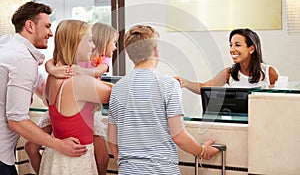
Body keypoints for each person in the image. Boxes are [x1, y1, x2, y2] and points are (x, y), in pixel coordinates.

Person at [107, 25, 219, 175]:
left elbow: (112, 139)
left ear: (129, 54)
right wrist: (202, 151)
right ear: (155, 50)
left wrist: (127, 165)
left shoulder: (117, 88)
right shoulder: (168, 84)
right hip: (161, 170)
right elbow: (179, 136)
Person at [0, 1, 88, 175]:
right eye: (47, 26)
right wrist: (60, 145)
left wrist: (55, 72)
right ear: (30, 26)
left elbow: (41, 86)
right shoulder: (22, 59)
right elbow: (17, 121)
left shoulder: (7, 45)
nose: (51, 33)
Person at [25, 22, 118, 175]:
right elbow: (122, 93)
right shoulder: (78, 83)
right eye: (89, 41)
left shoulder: (52, 78)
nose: (92, 45)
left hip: (54, 161)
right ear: (75, 43)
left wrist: (51, 67)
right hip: (76, 162)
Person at [177, 28, 279, 94]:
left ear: (251, 49)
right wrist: (185, 82)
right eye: (231, 45)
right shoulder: (229, 73)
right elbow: (203, 88)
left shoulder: (269, 72)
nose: (232, 50)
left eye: (237, 45)